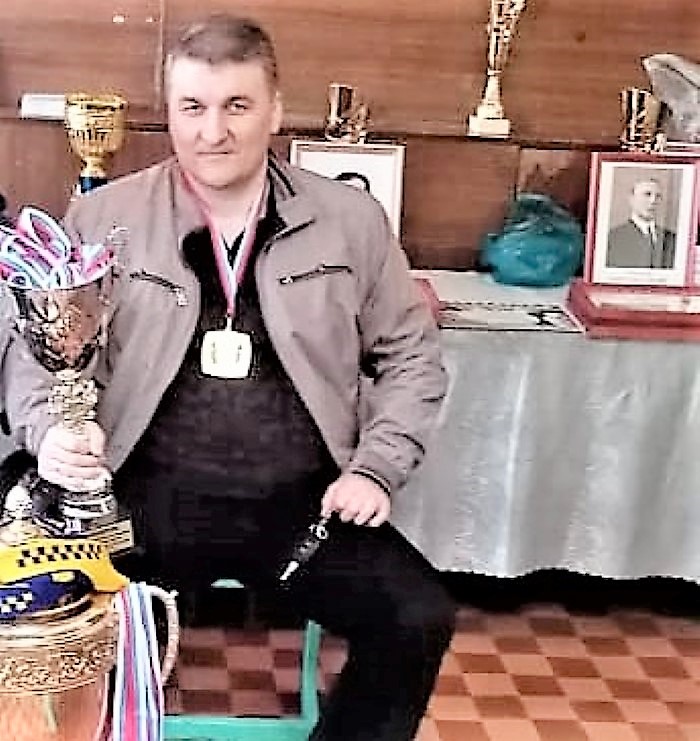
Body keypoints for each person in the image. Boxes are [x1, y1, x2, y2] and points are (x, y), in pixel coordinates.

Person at [1, 14, 454, 741]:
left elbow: (412, 356)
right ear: (170, 112)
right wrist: (50, 432)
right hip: (139, 500)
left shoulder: (350, 221)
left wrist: (377, 466)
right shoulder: (105, 214)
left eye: (236, 105)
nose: (213, 131)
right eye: (193, 107)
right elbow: (36, 349)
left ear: (274, 110)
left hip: (301, 506)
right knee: (31, 598)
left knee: (416, 617)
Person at [606, 177, 676, 268]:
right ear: (632, 199)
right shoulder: (613, 238)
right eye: (647, 194)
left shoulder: (672, 239)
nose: (653, 201)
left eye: (658, 196)